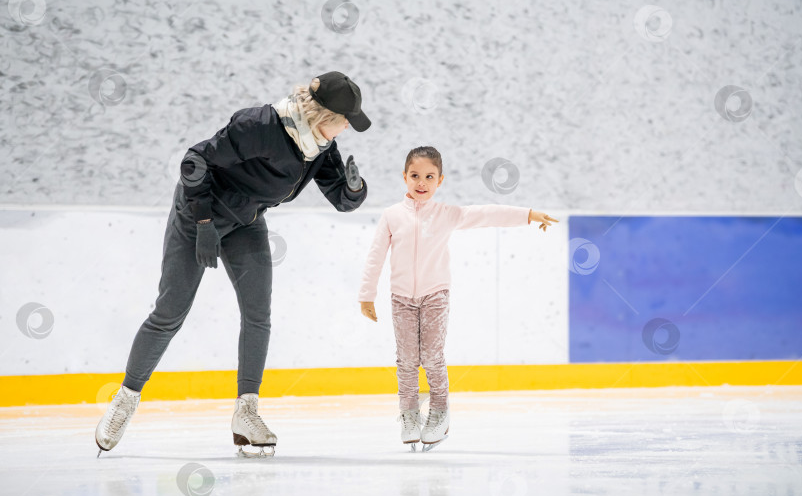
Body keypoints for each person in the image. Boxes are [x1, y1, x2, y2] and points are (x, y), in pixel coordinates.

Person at [95, 71, 371, 458]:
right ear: (321, 115)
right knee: (170, 312)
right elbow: (194, 162)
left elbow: (340, 198)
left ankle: (247, 413)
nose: (346, 129)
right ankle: (124, 400)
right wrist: (204, 223)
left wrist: (355, 189)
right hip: (199, 213)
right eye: (344, 121)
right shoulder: (259, 126)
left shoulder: (320, 146)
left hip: (246, 220)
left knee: (258, 314)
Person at [358, 146, 558, 451]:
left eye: (429, 176)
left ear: (440, 180)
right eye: (415, 175)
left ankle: (439, 412)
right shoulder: (391, 216)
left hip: (435, 295)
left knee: (432, 358)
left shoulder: (447, 214)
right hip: (401, 299)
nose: (421, 182)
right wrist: (366, 295)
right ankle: (409, 414)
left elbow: (488, 214)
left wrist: (528, 215)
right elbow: (375, 257)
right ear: (404, 177)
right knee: (407, 360)